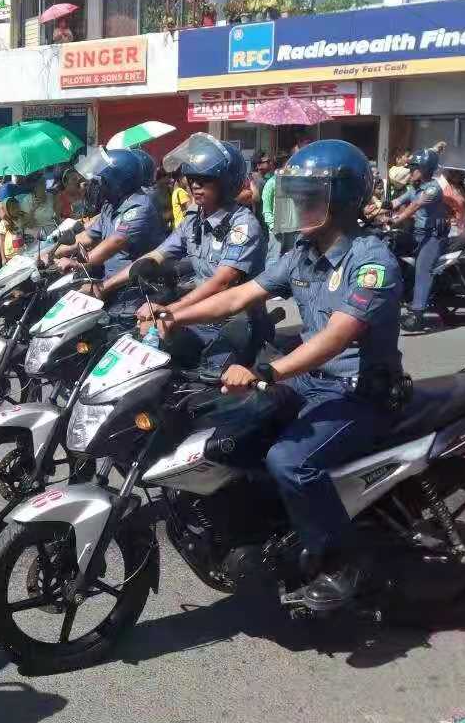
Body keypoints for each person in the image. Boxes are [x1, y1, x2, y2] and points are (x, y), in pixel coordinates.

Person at [155, 139, 403, 611]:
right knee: (227, 426)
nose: (299, 205)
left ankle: (341, 560)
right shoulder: (303, 253)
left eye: (311, 195)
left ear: (342, 200)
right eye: (298, 194)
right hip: (311, 382)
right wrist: (173, 315)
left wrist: (268, 369)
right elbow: (238, 296)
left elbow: (337, 336)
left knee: (290, 460)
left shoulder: (371, 264)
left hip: (360, 390)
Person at [116, 133, 268, 370]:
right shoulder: (193, 220)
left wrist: (168, 312)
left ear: (225, 182)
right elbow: (158, 254)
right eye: (192, 177)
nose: (195, 184)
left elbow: (222, 283)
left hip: (235, 321)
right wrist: (106, 285)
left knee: (203, 382)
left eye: (205, 179)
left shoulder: (242, 225)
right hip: (196, 315)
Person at [52, 148, 166, 292]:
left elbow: (114, 242)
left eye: (103, 181)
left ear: (117, 182)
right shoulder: (111, 204)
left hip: (138, 289)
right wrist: (52, 252)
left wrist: (76, 263)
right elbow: (87, 236)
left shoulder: (139, 207)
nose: (97, 185)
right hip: (111, 281)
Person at [390, 148, 447, 332]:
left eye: (414, 167)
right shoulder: (414, 188)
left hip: (432, 237)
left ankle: (417, 314)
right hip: (416, 234)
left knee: (423, 269)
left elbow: (415, 206)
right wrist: (371, 210)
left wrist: (397, 219)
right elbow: (395, 202)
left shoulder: (433, 188)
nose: (410, 170)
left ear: (424, 169)